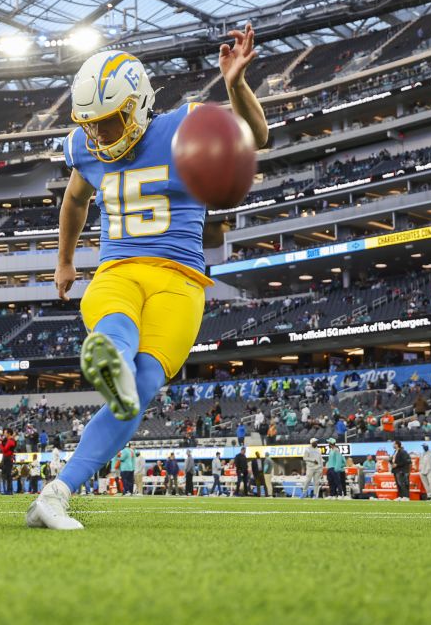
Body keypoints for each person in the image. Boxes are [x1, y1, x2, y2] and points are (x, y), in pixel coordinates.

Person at [27, 28, 270, 530]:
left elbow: (258, 137)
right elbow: (75, 199)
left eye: (111, 121)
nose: (99, 135)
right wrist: (65, 261)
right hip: (117, 269)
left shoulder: (184, 124)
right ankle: (109, 357)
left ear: (138, 106)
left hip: (179, 280)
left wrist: (235, 84)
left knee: (140, 387)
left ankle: (55, 493)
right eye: (91, 125)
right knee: (116, 330)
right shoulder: (88, 146)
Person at [0, 428, 17, 494]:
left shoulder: (10, 441)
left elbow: (4, 450)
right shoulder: (10, 440)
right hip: (8, 458)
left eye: (5, 433)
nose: (4, 434)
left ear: (9, 433)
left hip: (8, 458)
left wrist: (0, 444)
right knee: (7, 475)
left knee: (8, 475)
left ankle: (9, 490)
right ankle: (8, 490)